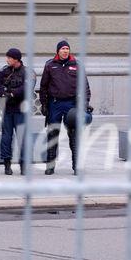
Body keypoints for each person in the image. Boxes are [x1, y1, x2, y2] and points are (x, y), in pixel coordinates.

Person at [39, 40, 93, 175]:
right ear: (58, 51)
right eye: (62, 48)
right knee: (52, 135)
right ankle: (50, 166)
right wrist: (44, 105)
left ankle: (77, 166)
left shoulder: (77, 65)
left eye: (67, 48)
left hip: (71, 105)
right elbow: (43, 87)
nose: (65, 51)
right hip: (55, 104)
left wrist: (85, 104)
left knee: (74, 136)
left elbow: (85, 87)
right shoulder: (50, 65)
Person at [0, 48, 36, 175]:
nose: (7, 60)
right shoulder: (4, 71)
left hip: (21, 110)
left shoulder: (28, 72)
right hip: (7, 109)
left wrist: (12, 93)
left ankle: (23, 164)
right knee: (6, 137)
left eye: (9, 58)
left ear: (16, 59)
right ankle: (7, 164)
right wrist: (4, 94)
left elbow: (28, 87)